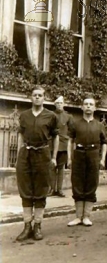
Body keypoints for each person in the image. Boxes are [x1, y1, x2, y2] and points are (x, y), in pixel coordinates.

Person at [15, 87, 59, 241]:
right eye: (35, 95)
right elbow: (20, 133)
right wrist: (21, 150)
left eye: (40, 95)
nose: (37, 98)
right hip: (26, 154)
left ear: (44, 98)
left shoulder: (51, 116)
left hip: (42, 154)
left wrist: (53, 157)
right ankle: (27, 226)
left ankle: (38, 226)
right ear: (31, 98)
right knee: (25, 189)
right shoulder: (24, 115)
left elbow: (55, 137)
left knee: (40, 189)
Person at [67, 97, 107, 227]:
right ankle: (78, 216)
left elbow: (104, 143)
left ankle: (87, 216)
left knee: (91, 183)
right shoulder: (75, 123)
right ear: (82, 107)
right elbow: (70, 141)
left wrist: (102, 159)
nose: (88, 106)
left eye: (91, 104)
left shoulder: (99, 125)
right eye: (86, 104)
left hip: (93, 154)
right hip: (79, 154)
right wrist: (69, 158)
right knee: (77, 183)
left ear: (95, 108)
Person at [49, 96, 73, 197]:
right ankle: (51, 189)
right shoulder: (50, 115)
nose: (59, 104)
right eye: (57, 103)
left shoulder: (68, 116)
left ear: (64, 104)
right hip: (52, 145)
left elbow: (72, 131)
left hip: (63, 145)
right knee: (51, 168)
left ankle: (59, 189)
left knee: (61, 168)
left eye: (61, 102)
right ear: (55, 104)